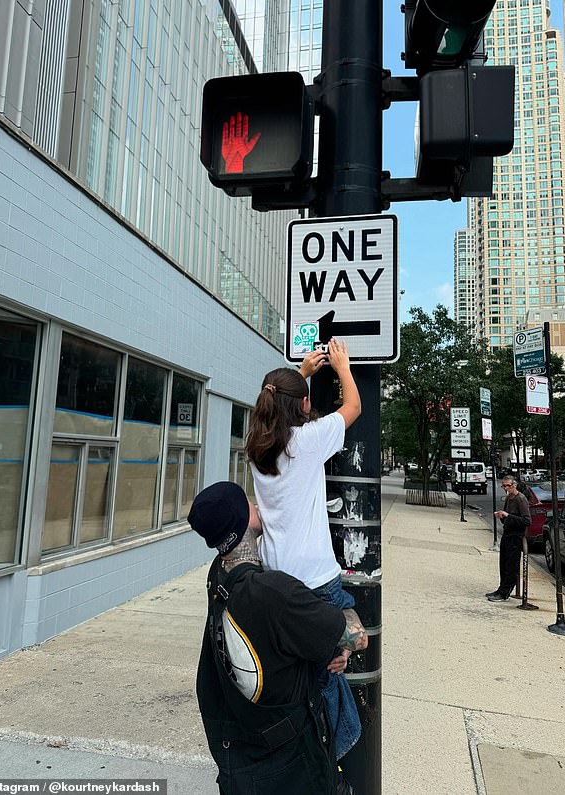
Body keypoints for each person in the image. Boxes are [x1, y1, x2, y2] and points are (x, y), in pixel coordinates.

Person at [188, 481, 368, 795]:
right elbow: (356, 637)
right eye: (250, 502)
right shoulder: (274, 593)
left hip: (244, 761)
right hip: (291, 770)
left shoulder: (218, 575)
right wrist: (343, 612)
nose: (258, 505)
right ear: (244, 520)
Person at [245, 337, 363, 759]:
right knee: (328, 671)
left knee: (296, 671)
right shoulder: (307, 441)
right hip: (315, 580)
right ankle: (330, 756)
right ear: (302, 407)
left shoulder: (259, 446)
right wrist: (344, 368)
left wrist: (302, 374)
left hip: (274, 576)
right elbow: (352, 409)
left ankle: (304, 753)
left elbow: (278, 401)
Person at [487, 475, 531, 601]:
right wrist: (502, 516)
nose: (506, 488)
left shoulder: (520, 499)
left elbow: (526, 521)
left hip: (516, 535)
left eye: (508, 486)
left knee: (511, 565)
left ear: (514, 485)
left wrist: (508, 515)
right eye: (504, 486)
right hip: (507, 533)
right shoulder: (509, 498)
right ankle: (501, 589)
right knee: (504, 563)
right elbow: (508, 517)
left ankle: (505, 592)